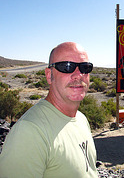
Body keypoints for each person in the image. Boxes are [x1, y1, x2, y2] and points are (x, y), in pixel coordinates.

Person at [0, 42, 98, 177]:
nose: (78, 75)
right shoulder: (30, 131)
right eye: (66, 67)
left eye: (85, 67)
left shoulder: (81, 119)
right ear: (49, 75)